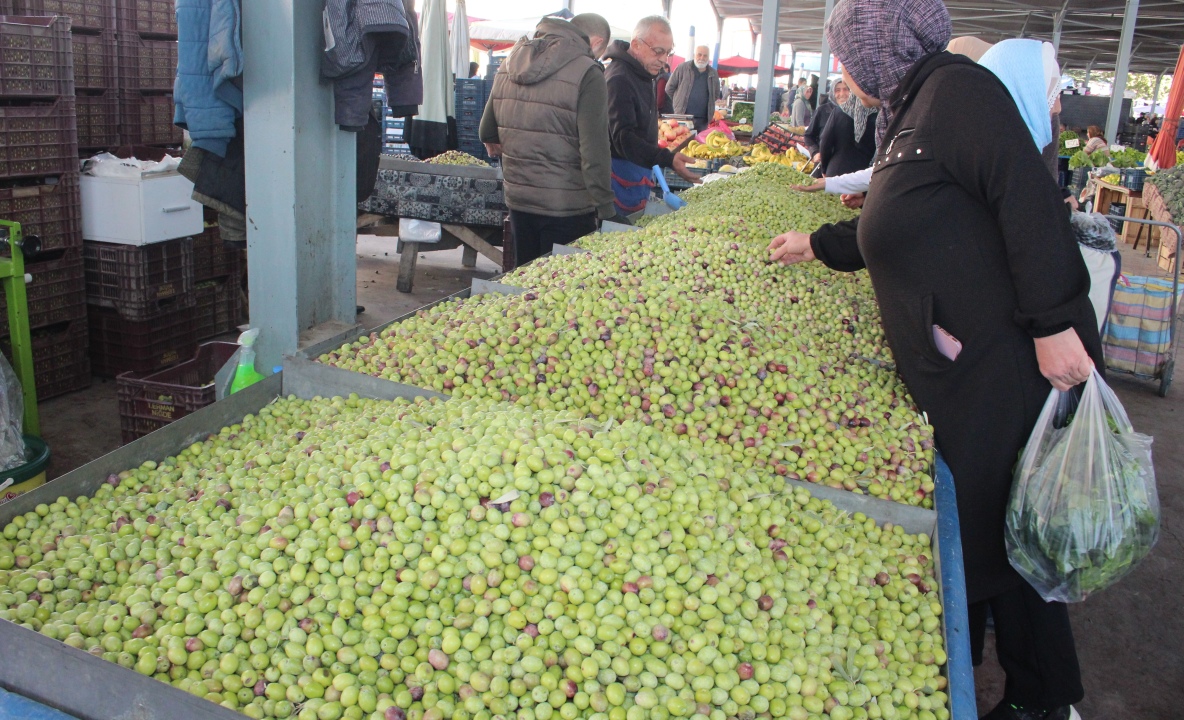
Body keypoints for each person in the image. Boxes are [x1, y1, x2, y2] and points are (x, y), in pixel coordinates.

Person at [767, 1, 1100, 718]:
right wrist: (818, 244)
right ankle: (1003, 668)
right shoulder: (911, 107)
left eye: (846, 57)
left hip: (995, 360)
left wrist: (1053, 322)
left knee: (1009, 529)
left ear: (874, 52)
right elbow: (904, 217)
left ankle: (1045, 698)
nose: (844, 73)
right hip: (956, 357)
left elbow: (1028, 205)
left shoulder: (958, 95)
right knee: (990, 523)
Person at [479, 15, 619, 266]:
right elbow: (594, 152)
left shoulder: (511, 61)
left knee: (526, 289)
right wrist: (607, 209)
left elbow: (486, 131)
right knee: (561, 292)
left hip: (519, 201)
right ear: (596, 42)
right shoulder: (588, 71)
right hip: (567, 207)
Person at [604, 16, 699, 215]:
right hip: (620, 176)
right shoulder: (619, 79)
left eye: (668, 52)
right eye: (658, 51)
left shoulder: (645, 73)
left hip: (638, 171)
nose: (664, 60)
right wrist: (667, 158)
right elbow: (624, 138)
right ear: (636, 44)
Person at [816, 79, 878, 177]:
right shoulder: (879, 115)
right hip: (864, 176)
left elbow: (825, 141)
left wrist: (824, 167)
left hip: (837, 171)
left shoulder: (839, 111)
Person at [665, 45, 720, 131]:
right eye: (699, 54)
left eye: (705, 55)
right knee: (682, 141)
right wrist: (678, 100)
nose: (702, 57)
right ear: (694, 55)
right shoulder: (682, 68)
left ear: (708, 58)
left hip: (703, 120)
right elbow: (669, 88)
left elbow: (716, 94)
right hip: (683, 118)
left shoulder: (713, 73)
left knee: (700, 143)